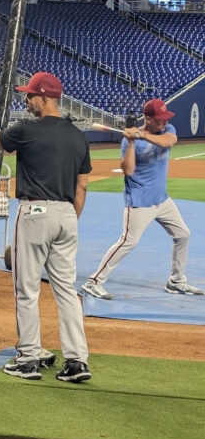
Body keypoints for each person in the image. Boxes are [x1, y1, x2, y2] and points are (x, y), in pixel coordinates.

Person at [0, 72, 92, 383]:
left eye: (30, 95)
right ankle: (77, 361)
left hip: (35, 210)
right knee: (66, 290)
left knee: (26, 289)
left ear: (44, 98)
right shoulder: (78, 136)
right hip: (68, 215)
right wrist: (67, 217)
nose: (26, 100)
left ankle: (27, 358)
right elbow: (82, 187)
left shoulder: (28, 128)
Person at [82, 99, 200, 300]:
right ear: (148, 118)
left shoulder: (167, 129)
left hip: (162, 200)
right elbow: (128, 170)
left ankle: (176, 281)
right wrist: (132, 141)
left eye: (165, 119)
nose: (164, 123)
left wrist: (141, 134)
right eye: (159, 120)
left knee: (183, 235)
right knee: (128, 241)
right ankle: (94, 281)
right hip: (140, 201)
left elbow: (168, 142)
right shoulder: (129, 141)